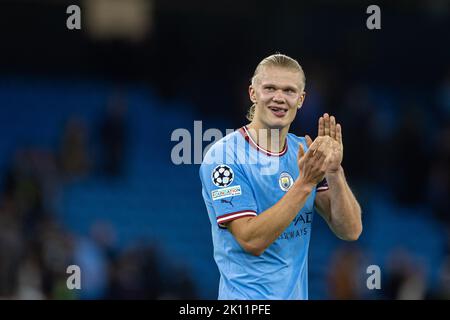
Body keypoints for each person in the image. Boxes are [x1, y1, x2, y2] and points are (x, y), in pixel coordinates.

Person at [199, 54, 362, 299]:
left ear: (301, 99)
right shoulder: (224, 157)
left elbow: (350, 230)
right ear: (253, 93)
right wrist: (305, 183)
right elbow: (251, 240)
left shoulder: (305, 154)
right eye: (270, 88)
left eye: (289, 90)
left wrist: (334, 172)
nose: (279, 98)